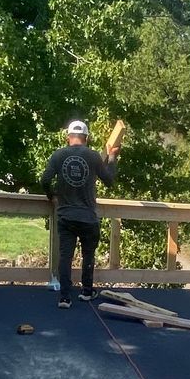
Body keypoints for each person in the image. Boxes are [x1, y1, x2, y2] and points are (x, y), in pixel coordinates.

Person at [39, 119, 117, 308]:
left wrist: (52, 196)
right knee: (88, 255)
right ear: (86, 138)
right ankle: (87, 291)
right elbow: (109, 181)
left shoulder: (58, 155)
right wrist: (113, 157)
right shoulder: (93, 156)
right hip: (88, 216)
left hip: (65, 215)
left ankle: (65, 297)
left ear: (68, 137)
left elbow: (45, 179)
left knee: (65, 256)